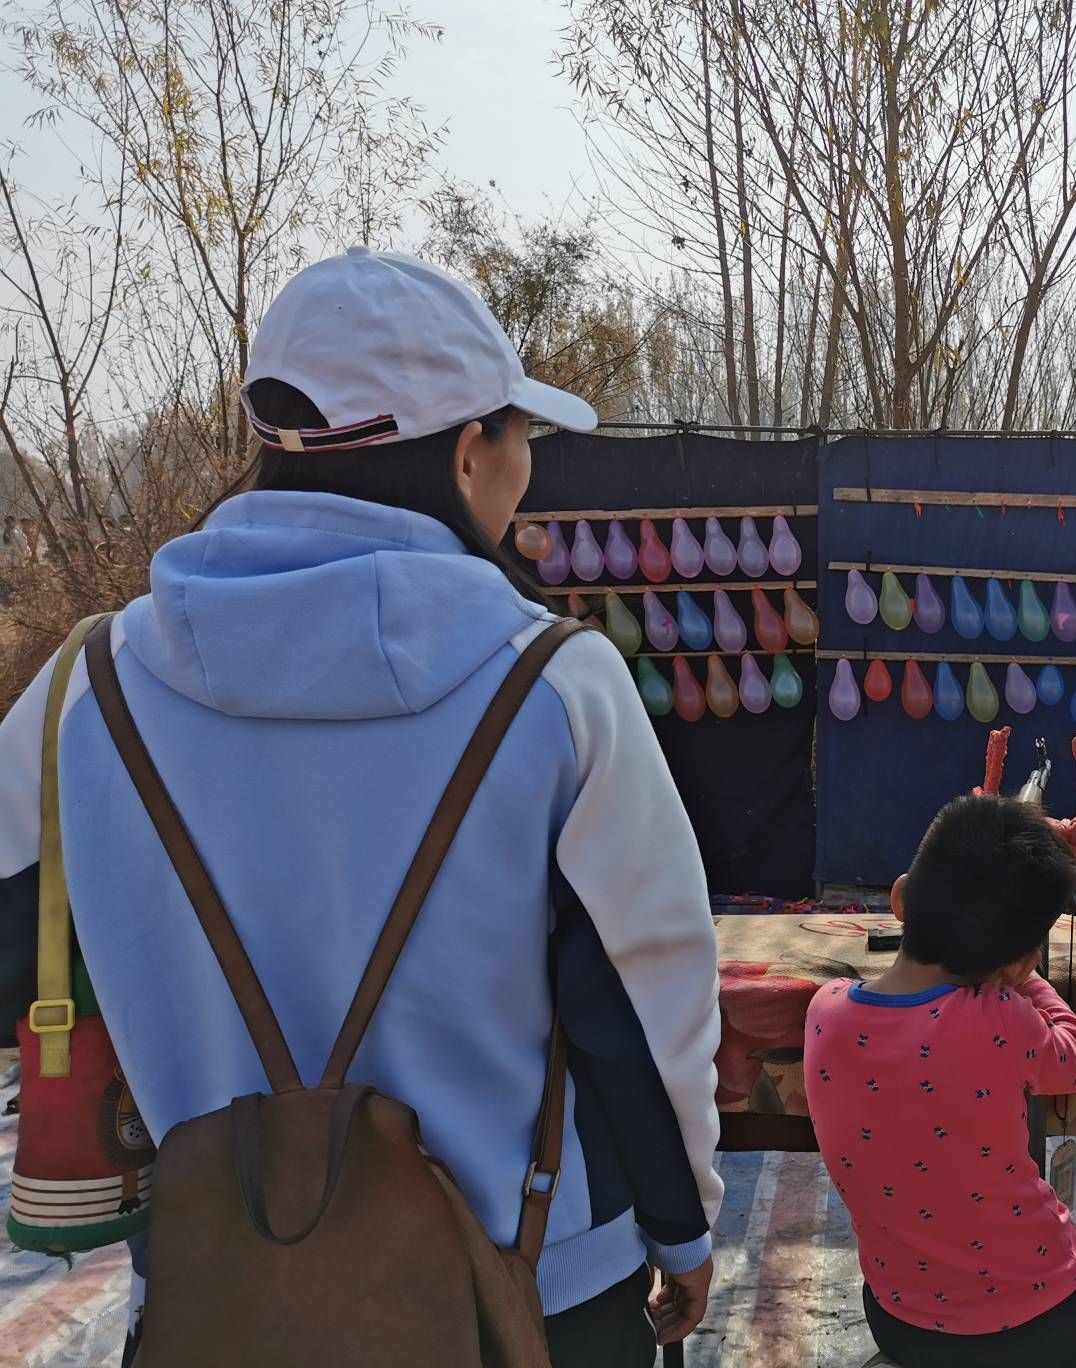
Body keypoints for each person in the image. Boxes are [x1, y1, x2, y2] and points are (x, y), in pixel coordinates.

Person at [0, 247, 721, 1366]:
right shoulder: (554, 688)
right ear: (471, 453)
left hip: (222, 1291)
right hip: (528, 1290)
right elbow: (640, 1006)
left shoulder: (82, 693)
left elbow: (13, 959)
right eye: (520, 434)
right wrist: (681, 1232)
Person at [803, 793, 1076, 1368]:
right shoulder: (1001, 1017)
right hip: (1036, 1318)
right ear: (1017, 959)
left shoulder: (825, 1012)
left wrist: (1011, 967)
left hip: (900, 1318)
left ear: (901, 898)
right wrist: (1028, 983)